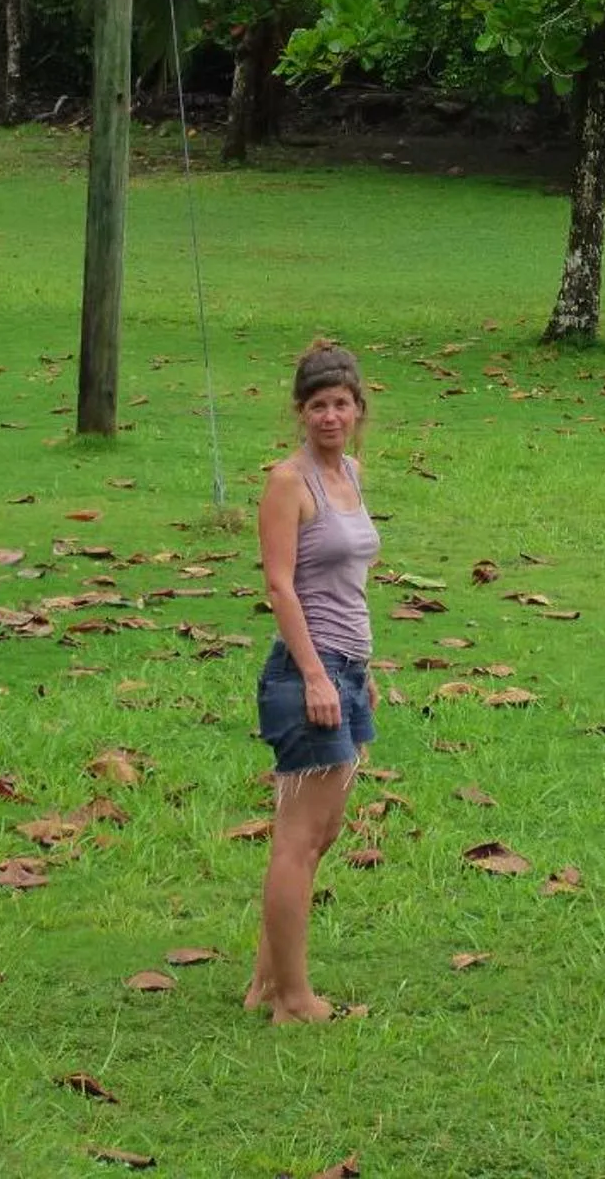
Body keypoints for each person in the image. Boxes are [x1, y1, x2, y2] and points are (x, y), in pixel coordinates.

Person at [245, 337, 381, 1021]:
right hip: (310, 671)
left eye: (341, 404)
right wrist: (316, 677)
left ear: (358, 409)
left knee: (321, 835)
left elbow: (350, 583)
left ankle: (266, 983)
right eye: (317, 406)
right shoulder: (286, 483)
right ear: (299, 413)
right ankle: (294, 1000)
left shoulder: (350, 474)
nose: (330, 417)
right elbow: (280, 584)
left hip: (349, 668)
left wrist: (366, 671)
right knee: (297, 839)